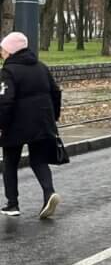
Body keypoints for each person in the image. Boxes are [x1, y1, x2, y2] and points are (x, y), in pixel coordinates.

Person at [0, 32, 62, 218]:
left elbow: (5, 101)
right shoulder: (41, 67)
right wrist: (54, 117)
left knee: (10, 162)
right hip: (43, 121)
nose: (1, 53)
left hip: (16, 124)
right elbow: (56, 92)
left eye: (2, 49)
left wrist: (1, 124)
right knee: (39, 160)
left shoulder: (8, 71)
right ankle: (49, 193)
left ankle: (12, 204)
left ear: (11, 50)